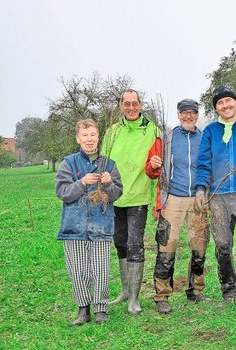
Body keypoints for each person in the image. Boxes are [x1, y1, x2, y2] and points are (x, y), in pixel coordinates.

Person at [194, 86, 236, 314]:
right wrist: (201, 189)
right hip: (218, 196)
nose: (225, 105)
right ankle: (228, 288)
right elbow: (203, 163)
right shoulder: (210, 131)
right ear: (216, 108)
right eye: (220, 103)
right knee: (223, 244)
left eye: (229, 101)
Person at [145, 98, 210, 314]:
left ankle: (196, 290)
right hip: (173, 198)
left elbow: (209, 167)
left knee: (199, 245)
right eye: (184, 113)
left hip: (199, 200)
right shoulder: (167, 138)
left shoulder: (204, 138)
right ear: (178, 114)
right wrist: (154, 166)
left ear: (197, 115)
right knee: (167, 245)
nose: (188, 116)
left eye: (192, 113)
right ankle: (162, 295)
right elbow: (152, 170)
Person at [55, 119, 123, 326]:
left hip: (101, 226)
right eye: (85, 135)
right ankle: (83, 309)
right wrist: (81, 182)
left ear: (98, 138)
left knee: (101, 269)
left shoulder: (109, 165)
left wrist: (109, 183)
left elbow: (117, 193)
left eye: (93, 135)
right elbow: (63, 193)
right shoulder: (69, 163)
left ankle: (101, 308)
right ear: (78, 138)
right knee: (78, 270)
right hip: (74, 228)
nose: (89, 139)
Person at [103, 89, 159, 315]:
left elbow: (158, 164)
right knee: (120, 242)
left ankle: (134, 299)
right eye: (126, 104)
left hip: (138, 196)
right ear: (120, 106)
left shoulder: (153, 130)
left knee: (135, 243)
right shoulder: (113, 131)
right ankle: (125, 291)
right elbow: (104, 161)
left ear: (141, 104)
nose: (131, 107)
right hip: (114, 197)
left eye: (135, 103)